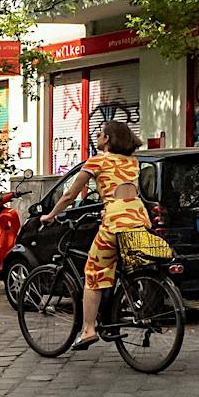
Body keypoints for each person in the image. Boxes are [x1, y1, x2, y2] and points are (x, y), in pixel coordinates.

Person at [42, 119, 149, 351]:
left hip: (114, 222)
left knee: (93, 272)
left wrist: (50, 214)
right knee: (119, 267)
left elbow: (70, 195)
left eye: (100, 134)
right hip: (138, 218)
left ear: (107, 139)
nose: (97, 137)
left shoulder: (97, 161)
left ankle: (88, 329)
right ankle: (118, 312)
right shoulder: (133, 162)